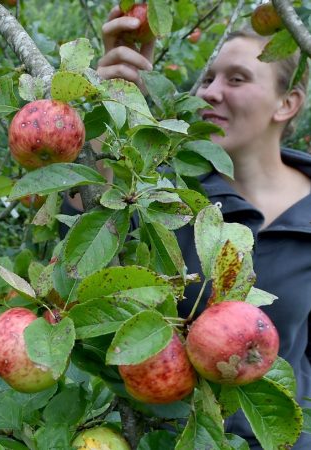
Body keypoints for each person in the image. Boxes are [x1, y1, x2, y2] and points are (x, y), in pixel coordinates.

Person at [98, 6, 310, 448]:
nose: (210, 92)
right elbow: (89, 259)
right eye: (209, 78)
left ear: (287, 103)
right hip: (165, 435)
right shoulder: (166, 195)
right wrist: (111, 104)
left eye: (236, 79)